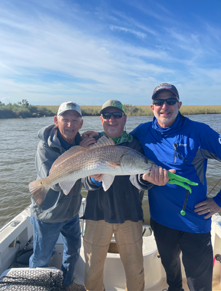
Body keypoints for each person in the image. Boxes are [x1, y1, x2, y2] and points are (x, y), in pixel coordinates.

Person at [130, 83, 221, 291]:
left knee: (200, 285)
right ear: (151, 107)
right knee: (172, 279)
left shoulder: (199, 132)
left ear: (179, 104)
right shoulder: (142, 132)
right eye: (158, 102)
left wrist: (218, 202)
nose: (164, 106)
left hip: (195, 224)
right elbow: (118, 150)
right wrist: (88, 138)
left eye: (170, 101)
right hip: (161, 223)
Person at [81, 99, 172, 291]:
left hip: (130, 215)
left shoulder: (135, 145)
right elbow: (85, 182)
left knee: (135, 271)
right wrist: (95, 180)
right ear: (101, 119)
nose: (112, 119)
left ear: (124, 118)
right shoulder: (91, 144)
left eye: (117, 115)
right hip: (96, 216)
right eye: (107, 115)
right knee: (92, 272)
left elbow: (138, 180)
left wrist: (148, 179)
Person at [29, 101, 93, 291]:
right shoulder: (44, 147)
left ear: (81, 124)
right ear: (56, 120)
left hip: (72, 211)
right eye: (65, 119)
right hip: (48, 213)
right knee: (41, 256)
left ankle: (65, 284)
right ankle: (37, 287)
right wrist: (80, 152)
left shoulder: (83, 142)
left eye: (75, 120)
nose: (70, 125)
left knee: (73, 251)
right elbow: (55, 183)